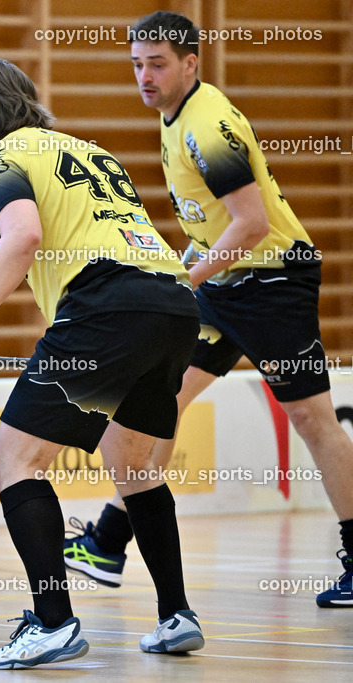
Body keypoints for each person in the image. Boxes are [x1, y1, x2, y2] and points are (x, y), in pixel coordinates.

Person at [64, 10, 353, 609]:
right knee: (156, 402)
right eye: (137, 64)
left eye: (158, 64)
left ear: (191, 63)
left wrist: (185, 279)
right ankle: (108, 544)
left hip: (271, 282)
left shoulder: (208, 125)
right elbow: (214, 225)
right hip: (224, 285)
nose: (144, 76)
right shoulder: (174, 119)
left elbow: (250, 226)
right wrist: (174, 271)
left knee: (312, 421)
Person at [0, 58, 204, 669]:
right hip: (175, 303)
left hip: (107, 306)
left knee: (12, 460)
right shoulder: (90, 153)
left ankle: (52, 623)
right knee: (132, 464)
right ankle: (175, 614)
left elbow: (22, 236)